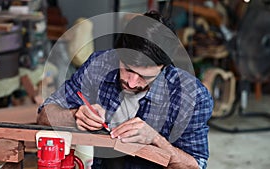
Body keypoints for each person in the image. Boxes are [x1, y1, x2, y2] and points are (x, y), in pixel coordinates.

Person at [37, 10, 213, 169]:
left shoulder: (191, 96)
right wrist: (74, 116)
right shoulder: (100, 65)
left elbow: (196, 165)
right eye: (127, 69)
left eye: (145, 77)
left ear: (163, 68)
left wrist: (155, 140)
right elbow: (44, 115)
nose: (132, 82)